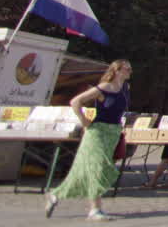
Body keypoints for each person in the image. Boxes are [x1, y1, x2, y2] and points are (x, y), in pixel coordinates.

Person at [45, 59, 132, 222]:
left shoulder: (125, 88)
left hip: (112, 132)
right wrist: (84, 121)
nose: (129, 72)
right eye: (127, 69)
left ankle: (55, 194)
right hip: (97, 132)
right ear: (117, 70)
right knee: (96, 169)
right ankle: (95, 209)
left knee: (89, 170)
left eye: (130, 69)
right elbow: (75, 102)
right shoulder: (104, 87)